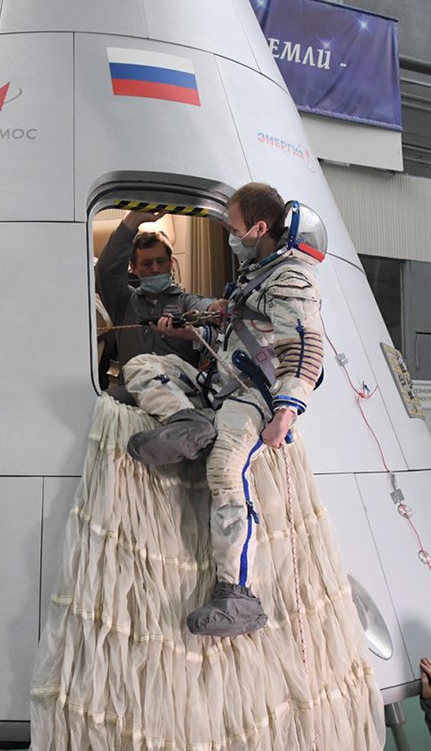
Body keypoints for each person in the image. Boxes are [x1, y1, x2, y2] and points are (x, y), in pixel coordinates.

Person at [122, 182, 327, 637]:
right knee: (143, 366)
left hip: (251, 396)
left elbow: (305, 345)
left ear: (257, 227)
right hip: (217, 385)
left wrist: (286, 413)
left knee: (224, 470)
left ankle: (239, 596)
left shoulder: (291, 279)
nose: (231, 236)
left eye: (234, 228)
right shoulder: (257, 276)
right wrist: (182, 332)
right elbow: (231, 327)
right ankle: (186, 421)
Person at [95, 210, 217, 371]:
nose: (155, 269)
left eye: (161, 261)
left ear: (171, 263)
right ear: (133, 268)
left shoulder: (186, 302)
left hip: (180, 391)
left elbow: (205, 306)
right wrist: (131, 221)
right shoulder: (123, 302)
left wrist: (216, 308)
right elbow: (106, 271)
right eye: (147, 263)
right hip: (134, 391)